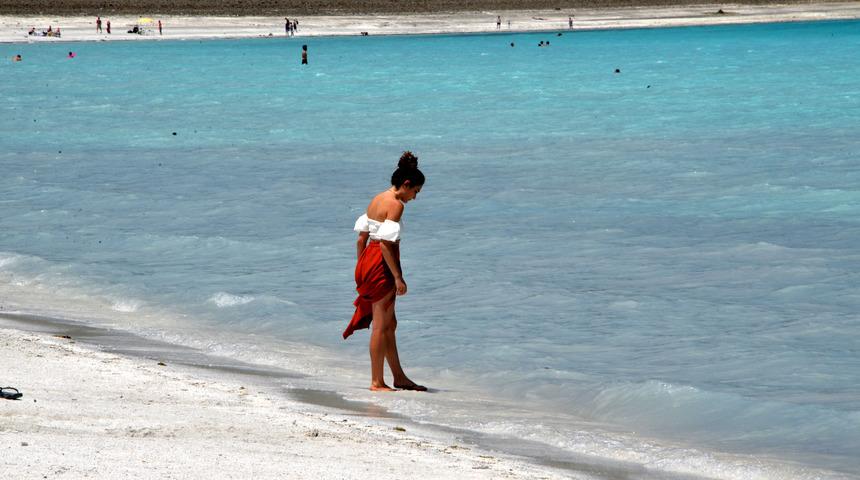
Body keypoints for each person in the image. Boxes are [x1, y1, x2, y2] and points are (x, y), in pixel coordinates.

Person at [345, 151, 427, 392]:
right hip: (381, 264)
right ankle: (376, 382)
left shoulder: (376, 199)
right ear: (406, 185)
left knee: (390, 323)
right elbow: (385, 244)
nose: (414, 198)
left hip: (366, 262)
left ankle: (399, 377)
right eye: (415, 192)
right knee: (381, 325)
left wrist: (361, 268)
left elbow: (362, 239)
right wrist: (398, 277)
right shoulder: (396, 205)